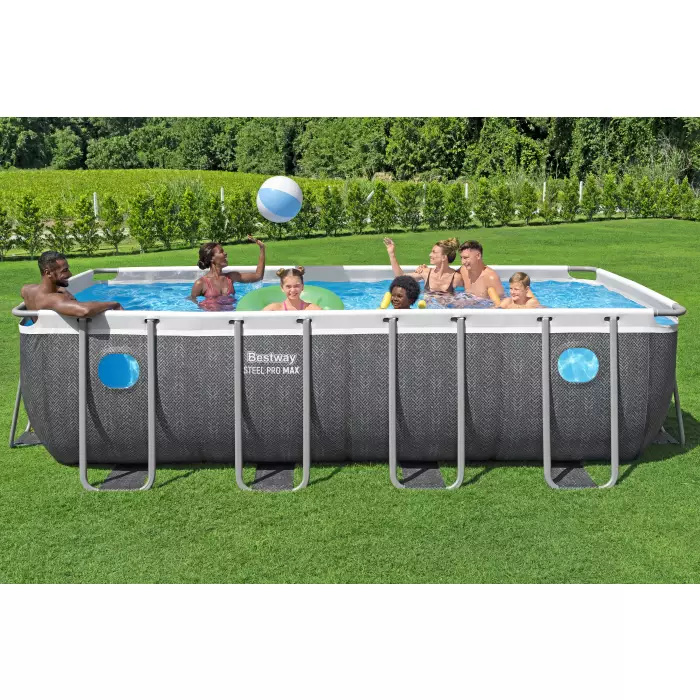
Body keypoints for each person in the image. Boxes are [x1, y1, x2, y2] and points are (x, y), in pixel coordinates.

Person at [21, 251, 123, 319]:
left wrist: (59, 288)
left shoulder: (26, 290)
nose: (70, 274)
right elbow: (85, 311)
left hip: (39, 340)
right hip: (57, 342)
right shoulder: (54, 299)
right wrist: (114, 304)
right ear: (48, 273)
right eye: (64, 270)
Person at [189, 236, 265, 311]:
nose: (225, 253)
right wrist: (203, 306)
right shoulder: (201, 283)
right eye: (221, 252)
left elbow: (258, 276)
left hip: (232, 316)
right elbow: (193, 303)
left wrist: (262, 248)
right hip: (213, 317)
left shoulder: (231, 277)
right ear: (211, 258)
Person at [383, 237, 462, 294]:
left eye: (434, 252)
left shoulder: (456, 278)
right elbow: (400, 277)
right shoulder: (426, 272)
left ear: (444, 257)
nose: (430, 255)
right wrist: (391, 253)